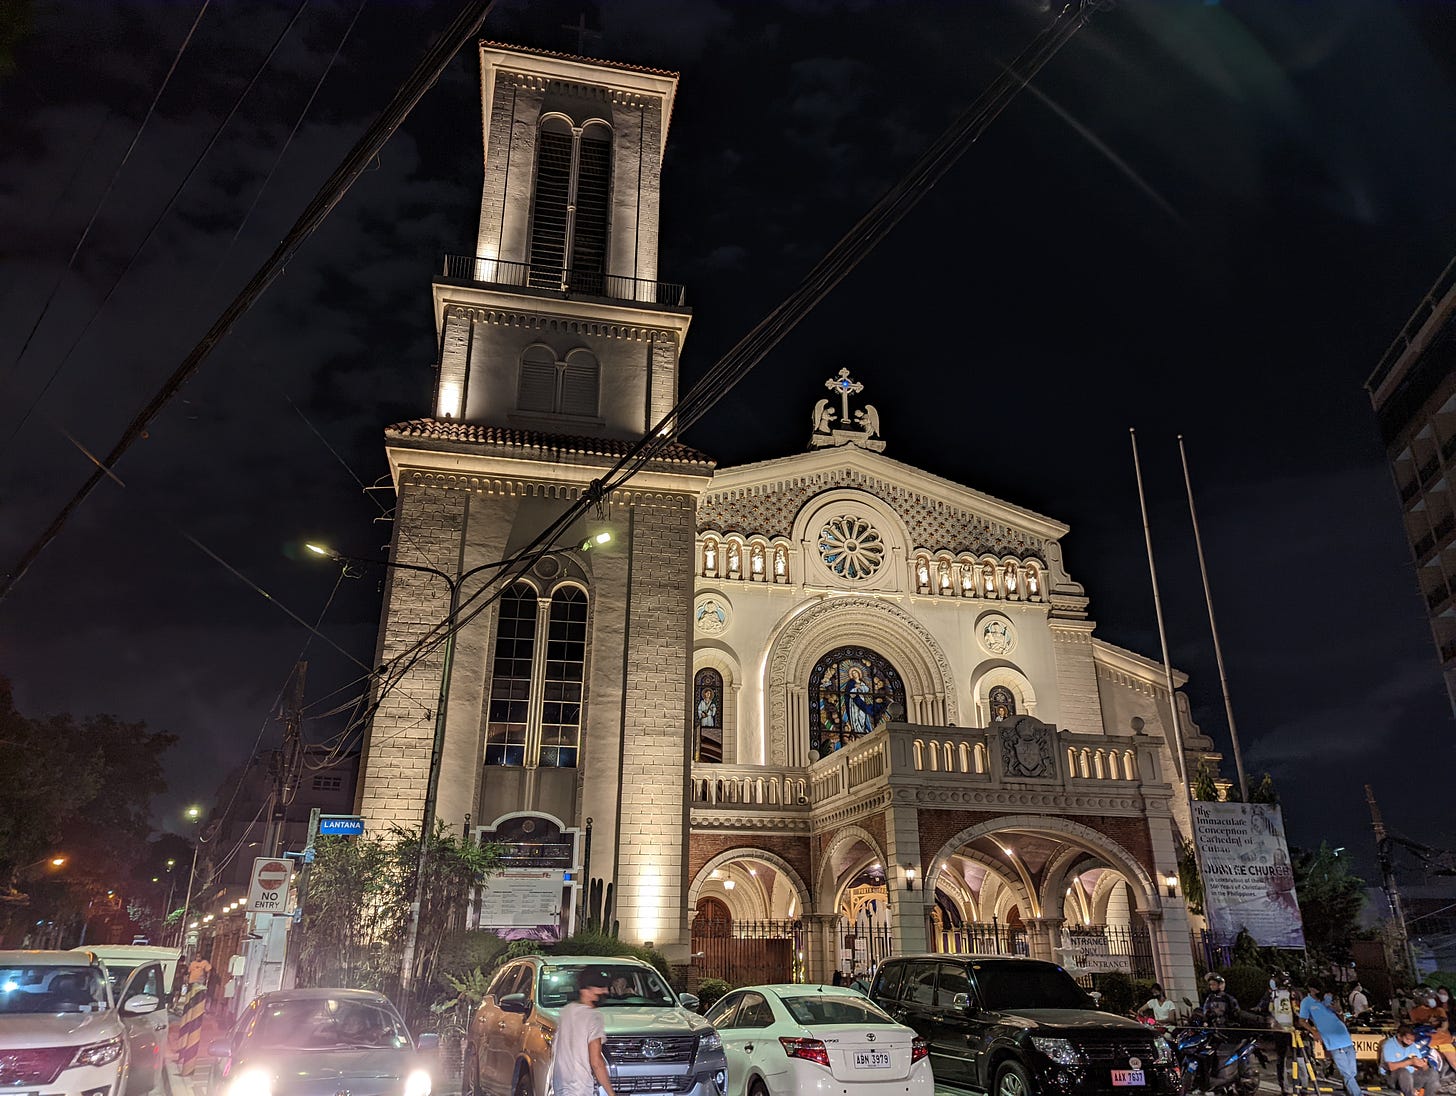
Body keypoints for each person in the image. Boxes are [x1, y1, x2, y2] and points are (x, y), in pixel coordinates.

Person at [551, 969, 616, 1096]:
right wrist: (611, 1093)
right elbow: (596, 1062)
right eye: (600, 988)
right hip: (580, 1087)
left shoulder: (566, 1011)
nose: (605, 992)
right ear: (585, 991)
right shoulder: (593, 1017)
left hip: (560, 1084)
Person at [1298, 983, 1362, 1096]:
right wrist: (1314, 1032)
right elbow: (1302, 1020)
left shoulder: (1327, 999)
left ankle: (1352, 1092)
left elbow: (1343, 1018)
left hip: (1345, 1038)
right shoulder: (1306, 1002)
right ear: (1311, 989)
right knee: (1347, 1073)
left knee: (1352, 1072)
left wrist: (1339, 1011)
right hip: (1333, 1042)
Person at [1257, 972, 1297, 1095]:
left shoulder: (1277, 994)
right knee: (1290, 1058)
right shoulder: (1284, 993)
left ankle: (1294, 1085)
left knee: (1289, 1058)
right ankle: (1292, 1086)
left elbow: (1264, 1008)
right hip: (1286, 1030)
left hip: (1285, 1030)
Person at [1408, 987, 1456, 1072]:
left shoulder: (1439, 1010)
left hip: (1443, 1040)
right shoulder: (1414, 1012)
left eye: (1430, 997)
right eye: (1427, 997)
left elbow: (1444, 1025)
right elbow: (1415, 1024)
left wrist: (1440, 1028)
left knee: (1454, 1062)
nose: (1430, 999)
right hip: (1424, 1040)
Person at [1383, 1026, 1438, 1096]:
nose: (1410, 1043)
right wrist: (1410, 1062)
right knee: (1403, 1071)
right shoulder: (1389, 1044)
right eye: (1408, 1040)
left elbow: (1423, 1067)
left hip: (1412, 1077)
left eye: (1412, 1040)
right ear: (1399, 1036)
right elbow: (1391, 1067)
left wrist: (1424, 1065)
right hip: (1393, 1078)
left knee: (1432, 1073)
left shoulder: (1412, 1046)